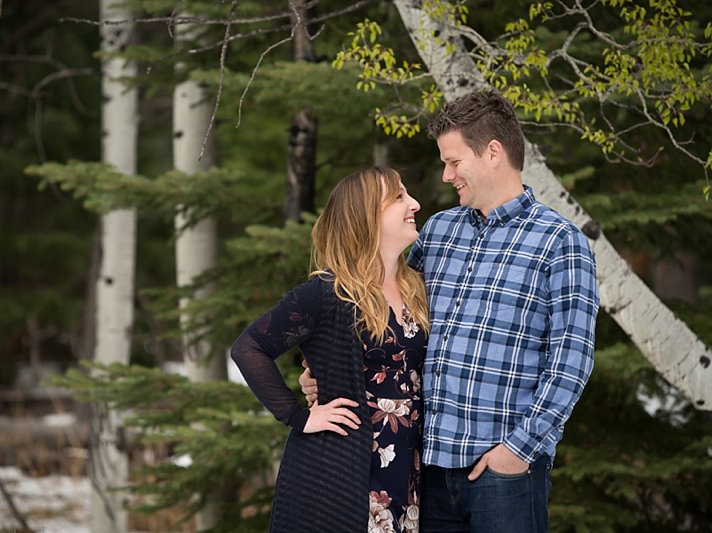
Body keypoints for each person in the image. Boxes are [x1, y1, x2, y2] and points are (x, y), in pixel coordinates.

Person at [301, 90, 599, 532]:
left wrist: (517, 451)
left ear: (493, 153)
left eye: (454, 162)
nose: (445, 175)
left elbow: (571, 365)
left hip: (504, 473)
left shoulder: (559, 243)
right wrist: (324, 366)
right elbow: (377, 301)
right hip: (428, 470)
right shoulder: (440, 231)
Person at [231, 166, 431, 532]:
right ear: (367, 215)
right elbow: (248, 348)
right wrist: (300, 417)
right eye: (399, 197)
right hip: (341, 474)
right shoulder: (327, 293)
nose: (414, 204)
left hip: (407, 472)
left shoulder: (416, 287)